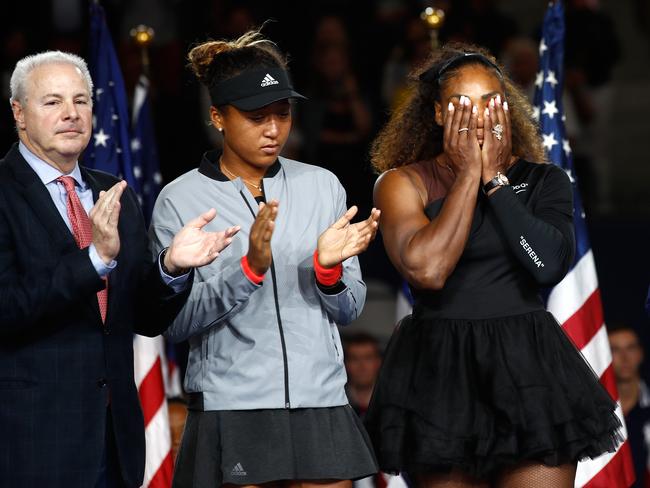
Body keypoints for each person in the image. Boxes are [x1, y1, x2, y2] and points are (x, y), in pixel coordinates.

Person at [364, 43, 623, 488]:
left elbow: (546, 267)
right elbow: (428, 270)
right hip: (441, 374)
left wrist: (494, 182)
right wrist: (467, 174)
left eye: (490, 102)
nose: (479, 115)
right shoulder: (402, 182)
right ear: (440, 114)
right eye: (464, 105)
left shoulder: (545, 180)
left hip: (529, 370)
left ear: (506, 108)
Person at [149, 29, 380, 488]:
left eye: (282, 114)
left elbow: (349, 308)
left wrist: (329, 272)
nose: (273, 129)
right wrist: (249, 269)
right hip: (234, 406)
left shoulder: (322, 185)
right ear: (218, 116)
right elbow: (175, 325)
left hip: (321, 400)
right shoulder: (179, 200)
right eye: (256, 117)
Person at [0, 51, 238, 488]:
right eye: (52, 102)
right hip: (31, 443)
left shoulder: (115, 193)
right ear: (19, 113)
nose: (71, 114)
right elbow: (8, 309)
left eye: (81, 101)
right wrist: (95, 260)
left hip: (115, 438)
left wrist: (170, 266)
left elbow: (144, 319)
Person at [609, 323, 650, 488]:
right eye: (615, 350)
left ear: (640, 353)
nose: (624, 358)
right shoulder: (593, 414)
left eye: (630, 348)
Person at [342, 332, 383, 417]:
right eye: (354, 359)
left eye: (368, 358)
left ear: (379, 362)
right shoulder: (336, 403)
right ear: (345, 364)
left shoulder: (392, 404)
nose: (362, 366)